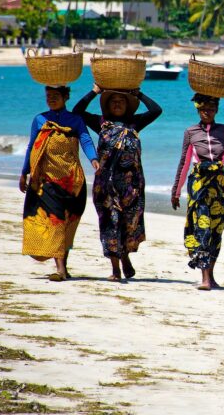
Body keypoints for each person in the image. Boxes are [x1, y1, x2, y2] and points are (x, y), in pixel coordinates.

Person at [73, 84, 162, 281]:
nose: (117, 104)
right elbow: (77, 111)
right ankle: (115, 269)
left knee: (129, 225)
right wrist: (94, 91)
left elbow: (156, 110)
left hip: (132, 186)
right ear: (107, 106)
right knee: (109, 223)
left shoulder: (135, 123)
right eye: (113, 101)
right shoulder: (101, 123)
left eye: (121, 101)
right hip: (106, 185)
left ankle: (125, 256)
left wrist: (139, 94)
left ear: (128, 106)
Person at [21, 86, 99, 281]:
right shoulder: (40, 119)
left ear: (65, 97)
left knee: (67, 224)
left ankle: (63, 266)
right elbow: (32, 146)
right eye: (48, 96)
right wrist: (24, 172)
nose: (51, 100)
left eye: (55, 96)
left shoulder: (75, 120)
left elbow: (86, 140)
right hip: (46, 180)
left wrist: (94, 159)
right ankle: (60, 269)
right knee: (54, 221)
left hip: (72, 181)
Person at [171, 94, 224, 290]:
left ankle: (211, 276)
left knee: (216, 230)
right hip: (199, 185)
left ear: (216, 110)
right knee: (202, 227)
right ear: (198, 111)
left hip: (218, 186)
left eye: (210, 109)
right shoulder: (190, 132)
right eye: (202, 109)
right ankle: (205, 278)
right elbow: (184, 162)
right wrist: (176, 191)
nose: (206, 112)